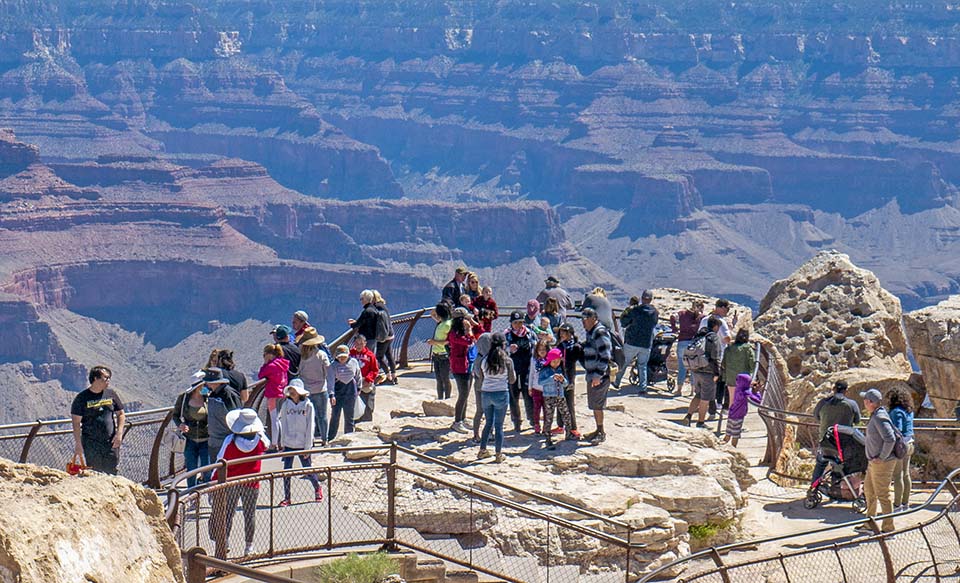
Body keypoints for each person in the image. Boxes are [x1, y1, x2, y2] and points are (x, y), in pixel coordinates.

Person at [210, 408, 268, 558]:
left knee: (228, 513)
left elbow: (220, 460)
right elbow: (268, 444)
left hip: (231, 481)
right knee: (250, 514)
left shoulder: (230, 441)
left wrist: (212, 482)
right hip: (251, 482)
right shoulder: (260, 441)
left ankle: (225, 542)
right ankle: (249, 547)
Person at [855, 388, 897, 534]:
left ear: (869, 402)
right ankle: (870, 524)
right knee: (869, 491)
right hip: (874, 462)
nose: (864, 403)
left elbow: (890, 438)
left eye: (865, 400)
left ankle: (888, 529)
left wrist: (882, 457)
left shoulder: (879, 417)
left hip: (882, 463)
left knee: (883, 495)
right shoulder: (876, 415)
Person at [70, 365, 125, 475]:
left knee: (112, 471)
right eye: (106, 378)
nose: (108, 381)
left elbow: (121, 414)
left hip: (110, 442)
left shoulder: (111, 394)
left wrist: (119, 434)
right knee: (95, 472)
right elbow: (76, 423)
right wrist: (78, 444)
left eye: (109, 378)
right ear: (95, 378)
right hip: (91, 443)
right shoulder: (82, 398)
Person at [277, 379, 322, 507]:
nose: (292, 393)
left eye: (294, 390)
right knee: (287, 471)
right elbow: (283, 423)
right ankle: (287, 497)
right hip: (289, 442)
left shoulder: (308, 406)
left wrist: (308, 446)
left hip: (303, 443)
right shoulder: (286, 405)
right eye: (290, 390)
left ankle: (317, 487)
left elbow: (310, 426)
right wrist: (282, 442)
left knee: (307, 469)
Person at [475, 333, 517, 463]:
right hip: (501, 393)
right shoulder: (507, 360)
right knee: (499, 425)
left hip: (486, 393)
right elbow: (512, 380)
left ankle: (482, 450)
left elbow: (481, 379)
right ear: (504, 344)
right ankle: (498, 453)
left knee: (488, 422)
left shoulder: (484, 360)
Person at [810, 380, 861, 484]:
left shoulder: (823, 403)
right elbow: (857, 420)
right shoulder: (852, 404)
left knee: (820, 463)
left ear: (833, 389)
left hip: (825, 441)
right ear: (846, 391)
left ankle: (813, 489)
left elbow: (816, 416)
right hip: (843, 444)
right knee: (840, 466)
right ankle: (836, 488)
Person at [615, 291, 659, 393]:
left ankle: (617, 382)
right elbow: (654, 323)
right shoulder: (655, 312)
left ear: (642, 298)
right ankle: (643, 387)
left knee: (624, 362)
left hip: (632, 341)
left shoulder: (635, 310)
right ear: (651, 299)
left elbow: (624, 322)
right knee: (642, 365)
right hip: (646, 343)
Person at [682, 317, 722, 429]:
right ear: (716, 326)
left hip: (696, 369)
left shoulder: (699, 335)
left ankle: (688, 416)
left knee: (698, 395)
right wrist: (717, 373)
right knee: (706, 398)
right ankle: (700, 422)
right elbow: (715, 356)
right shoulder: (713, 337)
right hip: (708, 371)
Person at [580, 308, 613, 445]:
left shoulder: (599, 332)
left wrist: (598, 375)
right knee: (594, 404)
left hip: (599, 375)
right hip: (592, 374)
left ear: (593, 318)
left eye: (586, 319)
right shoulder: (591, 332)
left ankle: (601, 432)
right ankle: (598, 429)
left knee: (598, 405)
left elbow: (606, 355)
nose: (583, 322)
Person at [173, 374, 209, 487]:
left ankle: (210, 494)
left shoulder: (208, 397)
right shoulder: (184, 398)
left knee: (207, 469)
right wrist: (181, 425)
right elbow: (175, 415)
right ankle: (192, 495)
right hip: (189, 440)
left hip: (206, 439)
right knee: (191, 470)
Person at [700, 299, 736, 412]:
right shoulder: (721, 322)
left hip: (702, 355)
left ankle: (705, 405)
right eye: (727, 309)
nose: (727, 312)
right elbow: (727, 339)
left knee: (706, 382)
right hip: (717, 356)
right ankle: (717, 406)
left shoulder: (704, 319)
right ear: (722, 308)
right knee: (720, 381)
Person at [505, 310, 536, 432]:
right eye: (515, 322)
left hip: (527, 369)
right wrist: (508, 349)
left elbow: (535, 348)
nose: (518, 325)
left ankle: (532, 419)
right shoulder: (507, 335)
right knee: (513, 394)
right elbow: (501, 350)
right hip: (512, 369)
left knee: (528, 393)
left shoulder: (529, 333)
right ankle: (516, 420)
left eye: (520, 322)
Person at [204, 367, 242, 464]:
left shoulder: (228, 395)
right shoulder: (213, 394)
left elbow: (236, 416)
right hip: (214, 441)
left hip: (226, 441)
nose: (206, 384)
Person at [448, 309, 477, 434]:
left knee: (466, 393)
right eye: (466, 318)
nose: (468, 321)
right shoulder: (454, 334)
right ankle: (457, 422)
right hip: (459, 367)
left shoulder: (462, 332)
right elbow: (469, 342)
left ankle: (463, 418)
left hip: (468, 365)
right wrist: (469, 331)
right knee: (463, 394)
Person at [888, 386, 915, 512]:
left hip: (900, 445)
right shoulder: (909, 411)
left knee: (898, 475)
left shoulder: (896, 411)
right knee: (906, 474)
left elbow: (897, 429)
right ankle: (906, 503)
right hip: (910, 443)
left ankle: (897, 505)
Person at [539, 348, 573, 448]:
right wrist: (551, 378)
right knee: (549, 417)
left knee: (566, 414)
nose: (556, 363)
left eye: (558, 361)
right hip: (549, 397)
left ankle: (568, 432)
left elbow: (566, 384)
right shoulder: (545, 370)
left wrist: (563, 380)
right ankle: (548, 437)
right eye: (554, 361)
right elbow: (540, 382)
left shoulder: (560, 370)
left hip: (560, 396)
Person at [299, 336, 331, 445]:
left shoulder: (302, 356)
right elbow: (327, 371)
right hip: (321, 388)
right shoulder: (321, 355)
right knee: (322, 415)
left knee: (308, 416)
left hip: (306, 390)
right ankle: (324, 439)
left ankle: (310, 439)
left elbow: (299, 372)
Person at [326, 344, 361, 441]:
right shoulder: (333, 366)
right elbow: (330, 381)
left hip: (351, 391)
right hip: (338, 392)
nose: (342, 359)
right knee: (335, 416)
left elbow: (358, 376)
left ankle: (349, 437)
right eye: (340, 357)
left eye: (344, 357)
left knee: (349, 417)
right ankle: (331, 437)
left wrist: (359, 388)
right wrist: (331, 395)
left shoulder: (354, 362)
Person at [259, 343, 290, 447]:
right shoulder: (283, 363)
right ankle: (281, 442)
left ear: (269, 354)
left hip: (273, 394)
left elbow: (261, 375)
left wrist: (265, 363)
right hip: (282, 393)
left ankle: (274, 443)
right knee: (278, 418)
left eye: (264, 355)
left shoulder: (271, 366)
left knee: (274, 419)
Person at [671, 299, 705, 395]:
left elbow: (673, 316)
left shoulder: (682, 313)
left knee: (682, 367)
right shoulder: (701, 317)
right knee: (693, 368)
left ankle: (679, 389)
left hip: (682, 342)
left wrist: (674, 328)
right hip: (693, 344)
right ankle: (692, 390)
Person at [555, 323, 582, 439]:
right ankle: (560, 425)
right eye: (561, 332)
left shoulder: (575, 347)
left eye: (564, 332)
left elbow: (581, 359)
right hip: (559, 376)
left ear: (570, 334)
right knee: (559, 400)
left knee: (569, 403)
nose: (562, 334)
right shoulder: (560, 346)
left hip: (569, 377)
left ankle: (573, 428)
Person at [720, 329, 756, 409]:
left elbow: (723, 364)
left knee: (731, 399)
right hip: (743, 378)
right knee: (742, 400)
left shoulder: (728, 349)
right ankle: (738, 418)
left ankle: (731, 417)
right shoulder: (748, 349)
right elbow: (752, 364)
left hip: (730, 378)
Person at [724, 374, 762, 447]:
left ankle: (721, 447)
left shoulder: (738, 388)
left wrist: (751, 386)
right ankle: (733, 449)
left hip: (731, 414)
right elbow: (758, 401)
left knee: (728, 434)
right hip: (738, 417)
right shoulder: (745, 392)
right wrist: (757, 392)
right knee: (735, 435)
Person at [427, 302, 453, 400]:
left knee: (445, 378)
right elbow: (432, 314)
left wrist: (434, 342)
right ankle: (440, 398)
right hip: (436, 354)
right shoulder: (441, 322)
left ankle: (447, 398)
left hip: (444, 354)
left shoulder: (448, 324)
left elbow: (448, 341)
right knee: (438, 379)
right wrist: (439, 307)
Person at [350, 334, 379, 423]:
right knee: (355, 408)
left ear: (365, 343)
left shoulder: (370, 355)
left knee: (368, 407)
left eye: (361, 343)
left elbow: (374, 370)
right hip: (354, 384)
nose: (359, 346)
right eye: (357, 343)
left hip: (366, 384)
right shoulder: (350, 354)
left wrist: (368, 379)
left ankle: (367, 427)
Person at [372, 290, 398, 385]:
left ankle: (388, 377)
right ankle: (394, 377)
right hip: (390, 334)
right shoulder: (383, 305)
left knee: (379, 357)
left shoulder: (376, 307)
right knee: (389, 356)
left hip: (384, 336)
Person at [527, 340, 552, 434]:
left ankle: (546, 426)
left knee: (547, 409)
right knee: (536, 408)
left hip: (547, 389)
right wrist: (530, 387)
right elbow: (531, 374)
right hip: (536, 387)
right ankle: (536, 425)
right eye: (540, 349)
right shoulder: (533, 360)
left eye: (544, 349)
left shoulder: (550, 360)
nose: (542, 351)